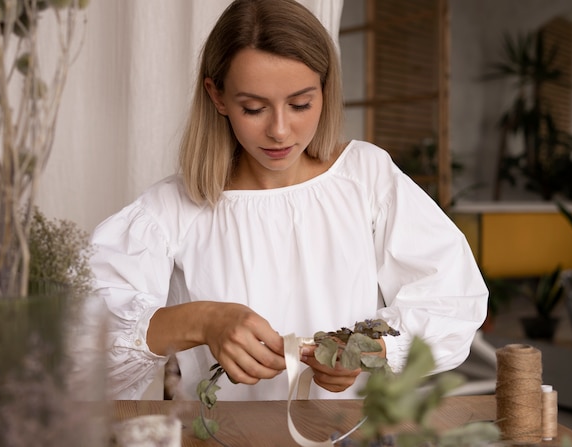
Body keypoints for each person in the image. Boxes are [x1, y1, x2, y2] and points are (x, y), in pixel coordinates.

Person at [88, 0, 488, 401]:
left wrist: (371, 352)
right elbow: (80, 347)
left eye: (300, 104)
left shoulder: (365, 177)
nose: (279, 130)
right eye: (254, 108)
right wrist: (202, 320)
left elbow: (451, 299)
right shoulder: (171, 209)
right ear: (218, 96)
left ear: (325, 89)